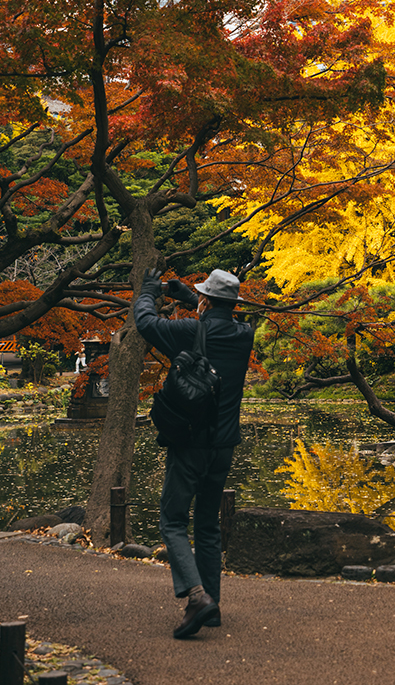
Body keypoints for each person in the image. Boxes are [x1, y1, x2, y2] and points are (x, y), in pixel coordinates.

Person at [134, 268, 253, 639]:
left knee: (172, 520)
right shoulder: (244, 335)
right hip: (224, 447)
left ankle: (198, 597)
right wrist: (190, 296)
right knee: (207, 524)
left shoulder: (189, 333)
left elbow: (145, 322)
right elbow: (215, 317)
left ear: (206, 301)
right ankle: (212, 607)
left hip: (190, 444)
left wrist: (149, 291)